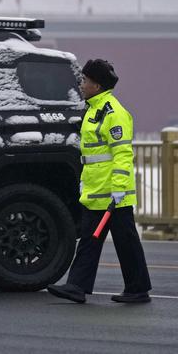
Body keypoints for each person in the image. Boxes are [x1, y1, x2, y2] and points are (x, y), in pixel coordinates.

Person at [47, 59, 152, 304]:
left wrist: (118, 189)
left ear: (97, 84)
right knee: (89, 239)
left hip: (114, 194)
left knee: (126, 242)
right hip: (96, 192)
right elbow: (92, 156)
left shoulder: (113, 113)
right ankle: (77, 287)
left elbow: (122, 154)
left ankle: (138, 289)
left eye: (85, 80)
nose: (81, 85)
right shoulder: (93, 110)